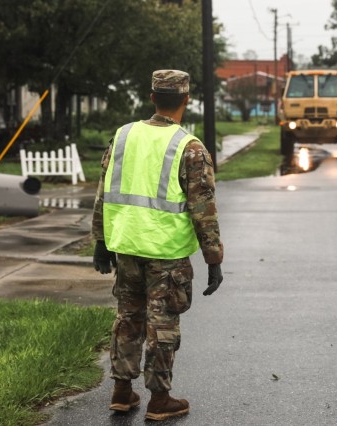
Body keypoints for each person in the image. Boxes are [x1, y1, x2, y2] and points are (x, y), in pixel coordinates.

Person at [91, 69, 224, 421]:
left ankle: (121, 391)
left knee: (128, 317)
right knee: (162, 324)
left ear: (152, 98)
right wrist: (214, 258)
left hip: (127, 247)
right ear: (186, 100)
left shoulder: (123, 136)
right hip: (166, 254)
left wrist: (101, 242)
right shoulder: (189, 147)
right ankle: (160, 399)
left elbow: (103, 191)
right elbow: (203, 208)